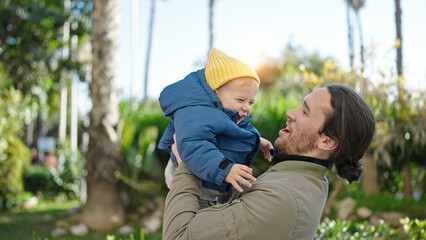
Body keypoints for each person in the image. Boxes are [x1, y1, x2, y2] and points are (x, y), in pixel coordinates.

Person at [162, 84, 376, 240]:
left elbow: (178, 236)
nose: (289, 113)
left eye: (304, 112)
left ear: (326, 141)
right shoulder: (293, 179)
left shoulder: (283, 200)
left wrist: (188, 163)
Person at [158, 48, 273, 208]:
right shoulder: (196, 111)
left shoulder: (225, 111)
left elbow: (232, 133)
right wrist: (226, 169)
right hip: (194, 180)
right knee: (198, 220)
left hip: (210, 179)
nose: (246, 107)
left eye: (251, 102)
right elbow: (194, 144)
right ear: (216, 92)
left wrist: (259, 141)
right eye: (240, 99)